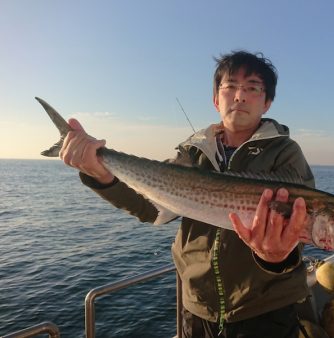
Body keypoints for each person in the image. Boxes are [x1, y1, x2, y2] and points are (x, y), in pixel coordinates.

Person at [59, 50, 315, 337]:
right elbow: (151, 209)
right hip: (196, 306)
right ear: (216, 100)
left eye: (252, 88)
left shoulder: (285, 153)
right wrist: (102, 176)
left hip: (265, 308)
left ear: (267, 103)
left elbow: (300, 226)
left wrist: (275, 258)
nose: (240, 96)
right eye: (230, 86)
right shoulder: (191, 154)